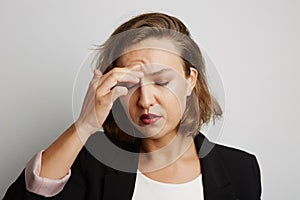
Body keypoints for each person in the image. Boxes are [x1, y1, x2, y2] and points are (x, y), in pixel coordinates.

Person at [3, 12, 261, 200]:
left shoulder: (241, 168)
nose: (145, 100)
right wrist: (85, 124)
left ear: (190, 80)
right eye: (130, 84)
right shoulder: (91, 162)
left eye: (161, 81)